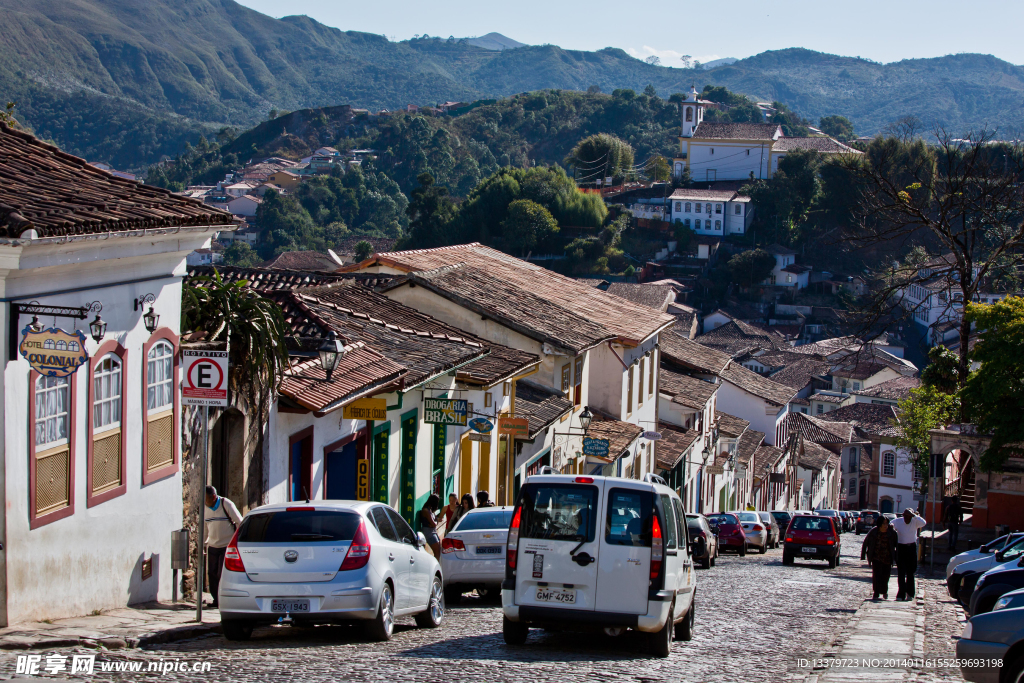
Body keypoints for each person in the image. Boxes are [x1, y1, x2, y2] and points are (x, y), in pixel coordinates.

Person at [204, 485, 242, 609]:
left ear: (213, 497)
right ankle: (216, 600)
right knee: (212, 573)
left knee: (222, 573)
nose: (204, 502)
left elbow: (239, 522)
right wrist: (205, 542)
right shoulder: (204, 509)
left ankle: (224, 599)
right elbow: (204, 527)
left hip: (226, 545)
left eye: (206, 499)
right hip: (213, 545)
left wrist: (235, 541)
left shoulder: (226, 504)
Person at [892, 508, 927, 601]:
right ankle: (901, 594)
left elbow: (924, 523)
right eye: (905, 516)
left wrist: (914, 516)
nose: (907, 519)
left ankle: (910, 593)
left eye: (909, 517)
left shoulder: (915, 521)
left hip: (911, 547)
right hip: (901, 548)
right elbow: (890, 524)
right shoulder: (898, 521)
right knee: (901, 572)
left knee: (910, 572)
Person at [861, 516, 898, 600]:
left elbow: (896, 545)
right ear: (879, 524)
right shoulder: (874, 532)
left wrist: (896, 558)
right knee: (876, 576)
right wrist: (863, 555)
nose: (885, 525)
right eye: (883, 523)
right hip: (876, 557)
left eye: (886, 523)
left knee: (885, 576)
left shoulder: (892, 533)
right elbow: (866, 542)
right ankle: (876, 592)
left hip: (887, 558)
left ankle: (884, 591)